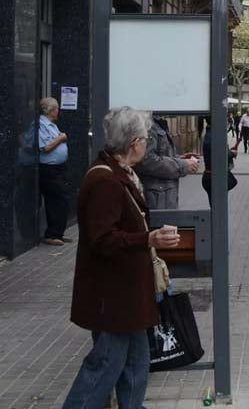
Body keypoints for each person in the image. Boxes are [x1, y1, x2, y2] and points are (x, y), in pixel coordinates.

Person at [63, 107, 181, 409]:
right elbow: (103, 239)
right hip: (113, 296)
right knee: (105, 364)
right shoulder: (105, 181)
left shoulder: (120, 173)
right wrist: (148, 238)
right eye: (144, 138)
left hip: (126, 295)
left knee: (135, 362)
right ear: (134, 143)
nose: (146, 144)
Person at [134, 115, 199, 209]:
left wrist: (181, 159)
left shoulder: (158, 123)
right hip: (156, 197)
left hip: (163, 195)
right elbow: (147, 161)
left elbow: (160, 154)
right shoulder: (148, 125)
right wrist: (182, 165)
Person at [38, 97, 71, 246]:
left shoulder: (51, 125)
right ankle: (51, 234)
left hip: (58, 168)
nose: (58, 111)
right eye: (57, 109)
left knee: (61, 199)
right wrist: (61, 138)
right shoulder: (41, 125)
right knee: (56, 200)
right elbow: (45, 147)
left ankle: (58, 233)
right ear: (51, 110)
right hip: (49, 169)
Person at [200, 116, 238, 206]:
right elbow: (221, 155)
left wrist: (229, 152)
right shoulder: (215, 135)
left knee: (216, 207)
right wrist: (232, 154)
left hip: (211, 175)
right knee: (219, 208)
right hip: (216, 177)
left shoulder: (209, 133)